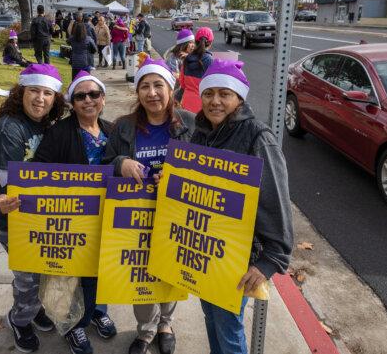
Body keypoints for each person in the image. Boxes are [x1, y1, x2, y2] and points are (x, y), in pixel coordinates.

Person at [193, 59, 293, 354]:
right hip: (204, 249)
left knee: (228, 327)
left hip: (237, 256)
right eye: (209, 93)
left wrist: (270, 260)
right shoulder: (201, 132)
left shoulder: (257, 138)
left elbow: (276, 203)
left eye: (225, 94)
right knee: (211, 316)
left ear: (239, 97)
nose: (215, 101)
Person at [102, 58, 195, 354]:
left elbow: (207, 167)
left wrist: (179, 175)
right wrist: (121, 162)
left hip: (174, 214)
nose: (152, 93)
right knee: (140, 272)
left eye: (158, 85)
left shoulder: (190, 122)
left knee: (169, 270)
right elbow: (104, 166)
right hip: (134, 216)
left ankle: (166, 322)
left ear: (170, 88)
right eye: (145, 86)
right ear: (137, 92)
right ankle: (145, 329)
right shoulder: (123, 127)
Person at [0, 64, 68, 353]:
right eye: (34, 90)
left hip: (38, 215)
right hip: (11, 218)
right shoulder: (6, 130)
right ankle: (19, 319)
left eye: (47, 93)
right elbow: (12, 186)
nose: (40, 99)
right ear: (21, 92)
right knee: (28, 276)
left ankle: (32, 309)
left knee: (40, 270)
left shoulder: (44, 125)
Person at [34, 71, 117, 354]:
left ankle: (95, 311)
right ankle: (73, 325)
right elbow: (38, 172)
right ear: (72, 103)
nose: (88, 100)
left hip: (107, 217)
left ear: (103, 99)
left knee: (101, 270)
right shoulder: (58, 133)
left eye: (94, 94)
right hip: (73, 220)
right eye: (80, 96)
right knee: (71, 275)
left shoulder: (112, 130)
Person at [179, 26, 213, 113]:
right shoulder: (210, 61)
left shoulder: (187, 59)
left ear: (195, 42)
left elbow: (182, 84)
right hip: (203, 106)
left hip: (186, 102)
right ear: (211, 43)